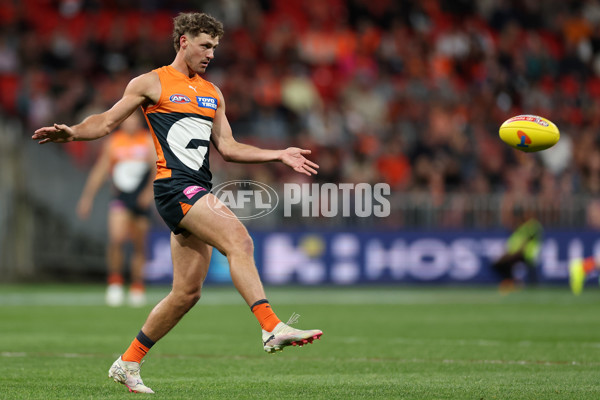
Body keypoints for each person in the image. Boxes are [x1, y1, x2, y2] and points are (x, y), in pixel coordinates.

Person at [33, 12, 323, 394]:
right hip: (175, 187)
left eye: (215, 48)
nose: (210, 54)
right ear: (183, 40)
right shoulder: (151, 82)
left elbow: (230, 148)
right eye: (205, 45)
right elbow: (105, 122)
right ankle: (271, 327)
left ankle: (128, 362)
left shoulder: (212, 92)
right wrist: (72, 132)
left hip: (196, 187)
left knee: (186, 293)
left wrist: (278, 154)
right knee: (240, 240)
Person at [76, 111, 155, 307]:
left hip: (141, 198)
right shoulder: (114, 142)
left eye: (134, 120)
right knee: (116, 239)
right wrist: (87, 197)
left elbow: (157, 169)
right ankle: (115, 283)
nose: (131, 124)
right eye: (127, 120)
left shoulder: (147, 140)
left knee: (138, 244)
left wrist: (149, 193)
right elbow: (100, 170)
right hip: (120, 197)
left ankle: (137, 286)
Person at [491, 218, 543, 292]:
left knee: (530, 270)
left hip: (526, 255)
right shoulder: (515, 235)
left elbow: (522, 246)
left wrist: (511, 256)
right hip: (518, 256)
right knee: (503, 265)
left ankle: (532, 285)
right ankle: (513, 282)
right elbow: (510, 249)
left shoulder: (525, 231)